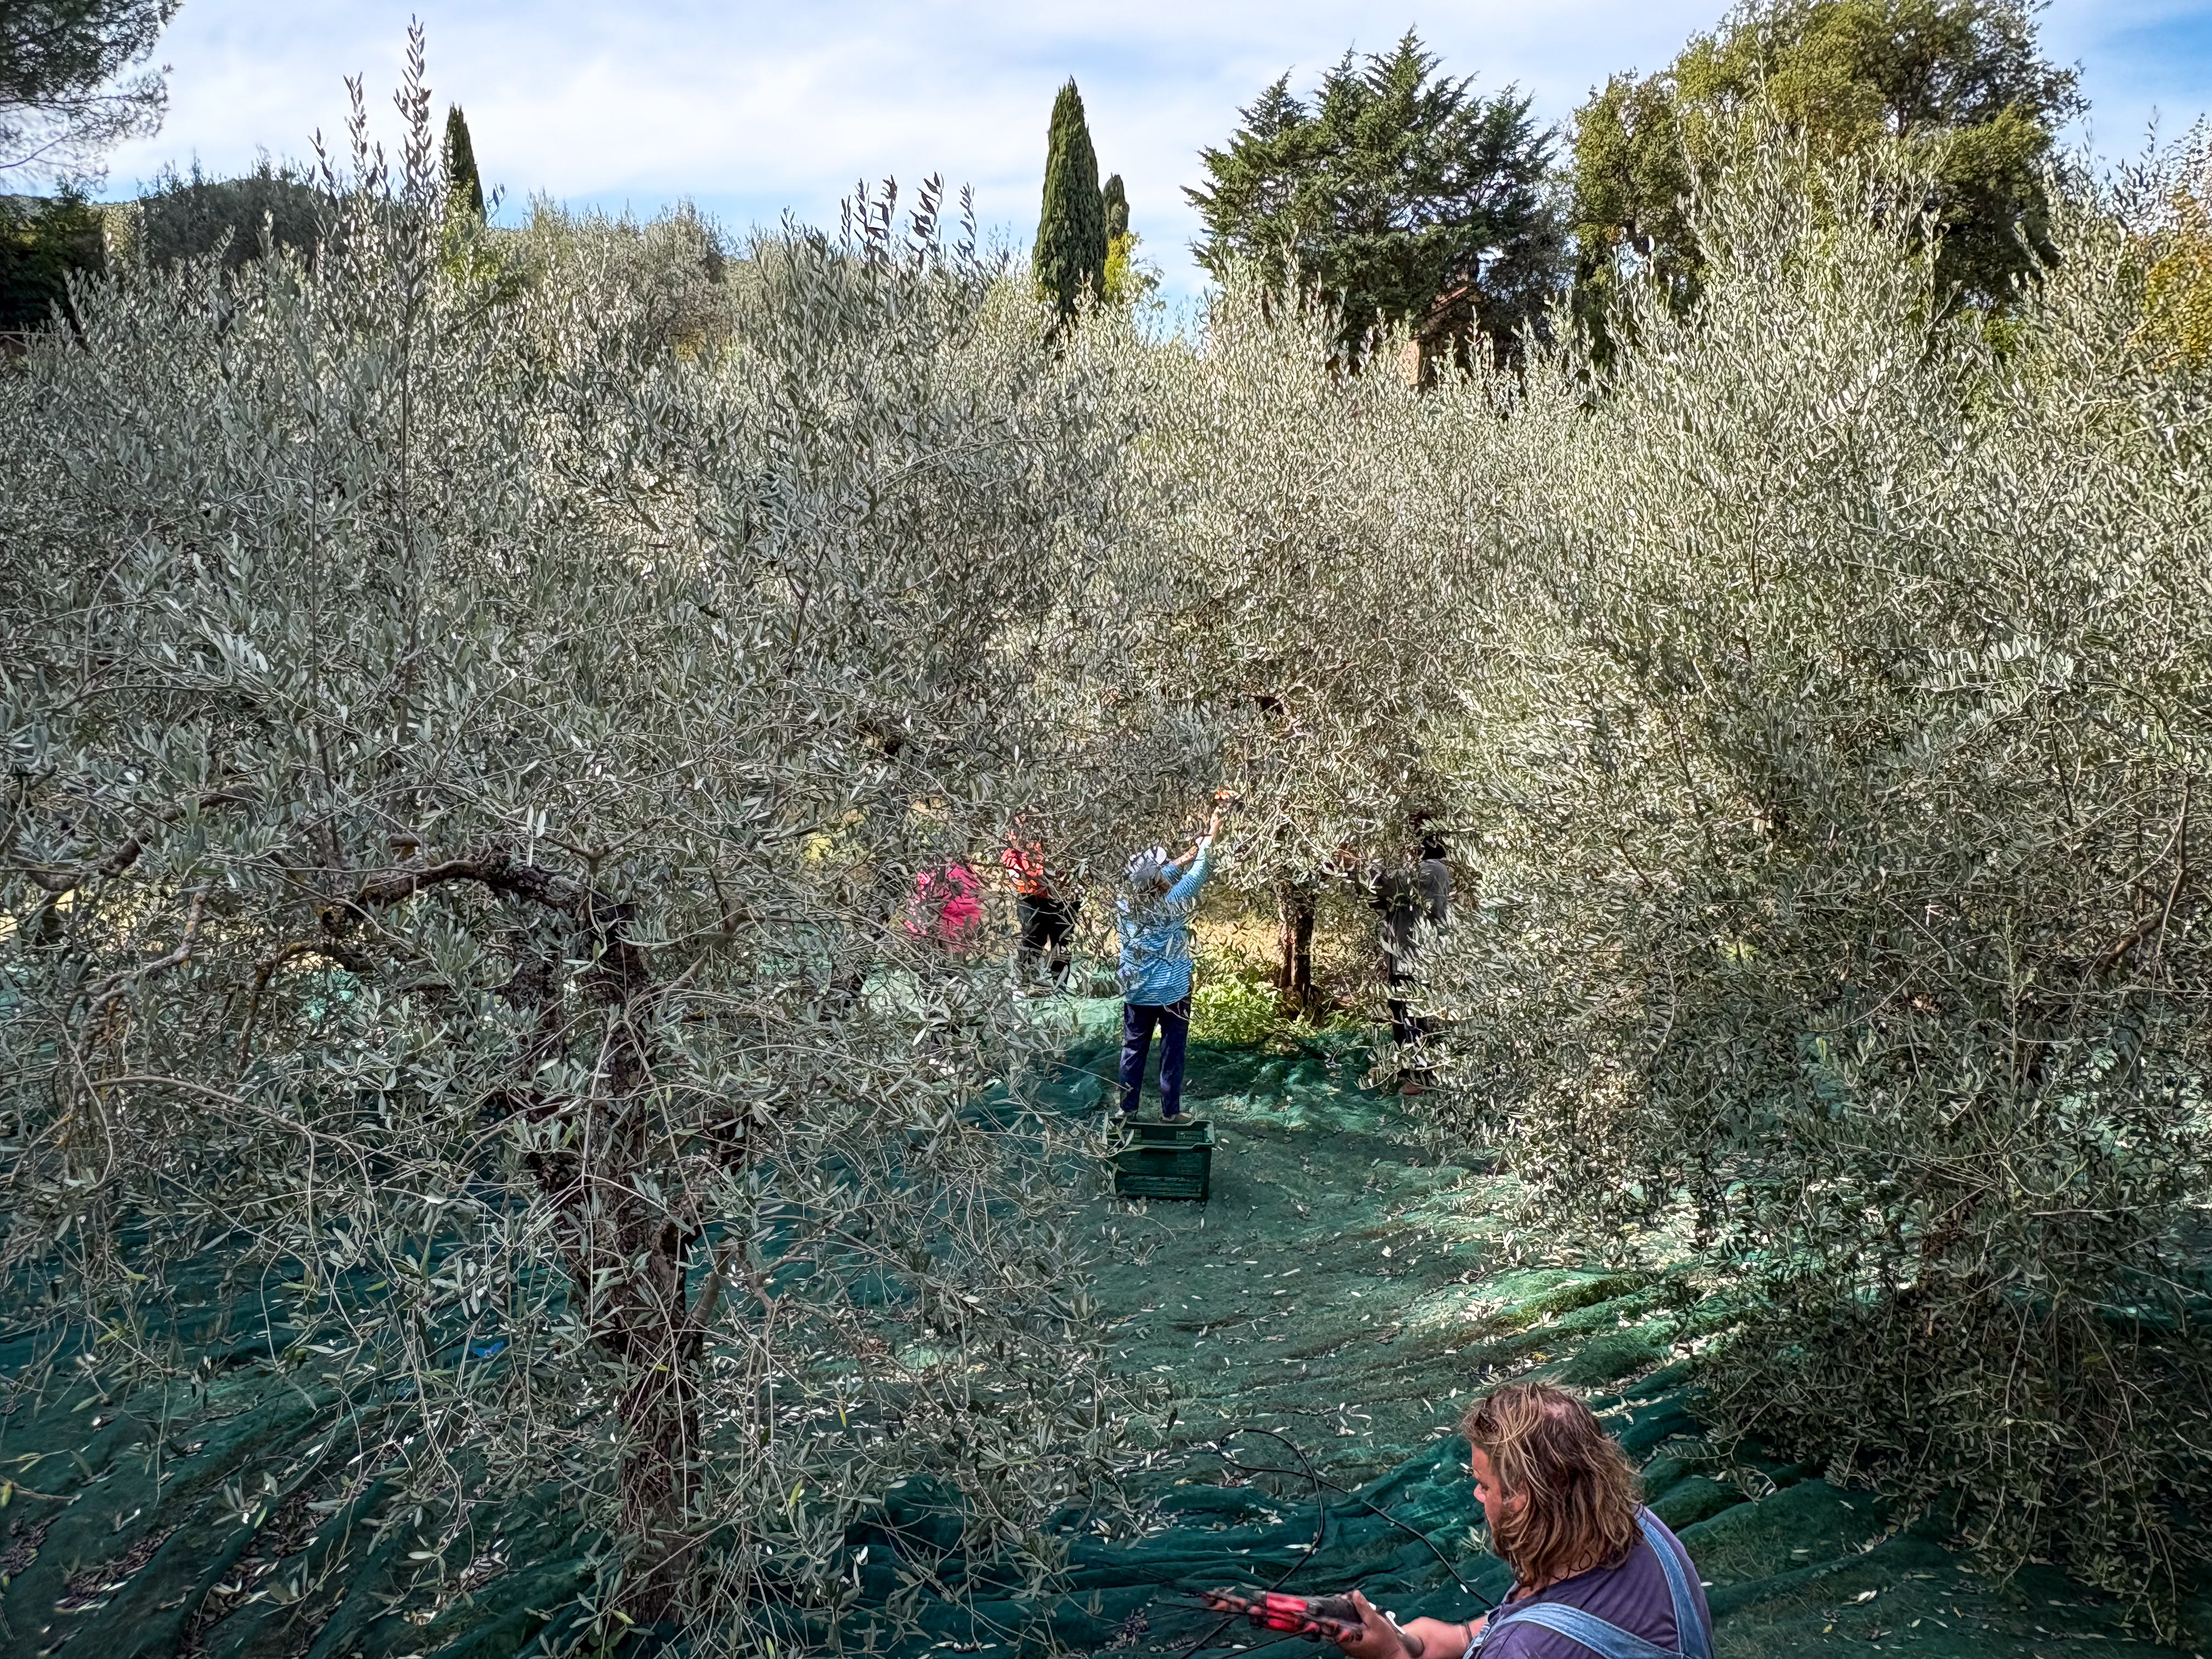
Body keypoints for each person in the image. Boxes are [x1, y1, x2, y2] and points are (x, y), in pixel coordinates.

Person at [1332, 1383, 1713, 1659]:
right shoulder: (1640, 1525)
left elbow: (1538, 1640)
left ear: (1522, 1498)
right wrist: (1456, 1636)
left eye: (1484, 1485)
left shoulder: (1520, 1649)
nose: (1477, 1496)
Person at [1115, 801, 1224, 1120]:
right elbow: (1200, 871)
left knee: (1133, 1050)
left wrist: (1187, 853)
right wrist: (1211, 835)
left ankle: (1127, 1111)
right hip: (1173, 994)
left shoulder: (1124, 904)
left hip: (1137, 992)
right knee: (1172, 1054)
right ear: (1157, 882)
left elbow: (1162, 876)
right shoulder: (1175, 902)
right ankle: (1170, 1114)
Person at [1367, 829, 1451, 1094]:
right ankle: (1410, 1070)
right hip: (1403, 953)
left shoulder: (1432, 869)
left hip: (1414, 954)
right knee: (1400, 1011)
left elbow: (1395, 886)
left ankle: (1422, 1077)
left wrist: (1361, 865)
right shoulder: (1424, 871)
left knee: (1412, 1014)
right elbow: (1389, 896)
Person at [1002, 821, 1078, 991]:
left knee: (1063, 943)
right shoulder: (1021, 822)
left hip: (1064, 896)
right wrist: (1025, 879)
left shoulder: (1063, 821)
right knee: (1033, 941)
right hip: (1032, 896)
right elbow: (1009, 852)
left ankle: (1060, 989)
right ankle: (1025, 986)